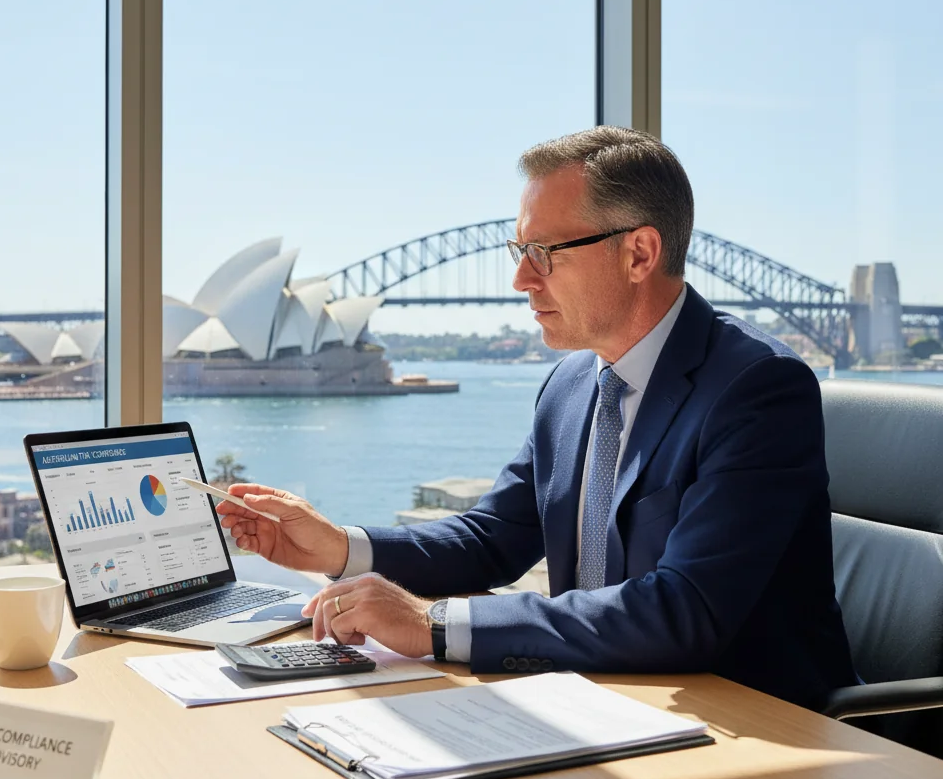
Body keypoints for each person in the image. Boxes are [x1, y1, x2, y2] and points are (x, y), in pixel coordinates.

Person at [218, 125, 857, 710]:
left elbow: (682, 610)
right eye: (518, 250)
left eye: (545, 252)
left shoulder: (757, 390)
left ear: (639, 253)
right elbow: (493, 537)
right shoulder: (573, 384)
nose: (522, 278)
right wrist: (341, 546)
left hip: (758, 728)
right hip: (602, 702)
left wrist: (432, 626)